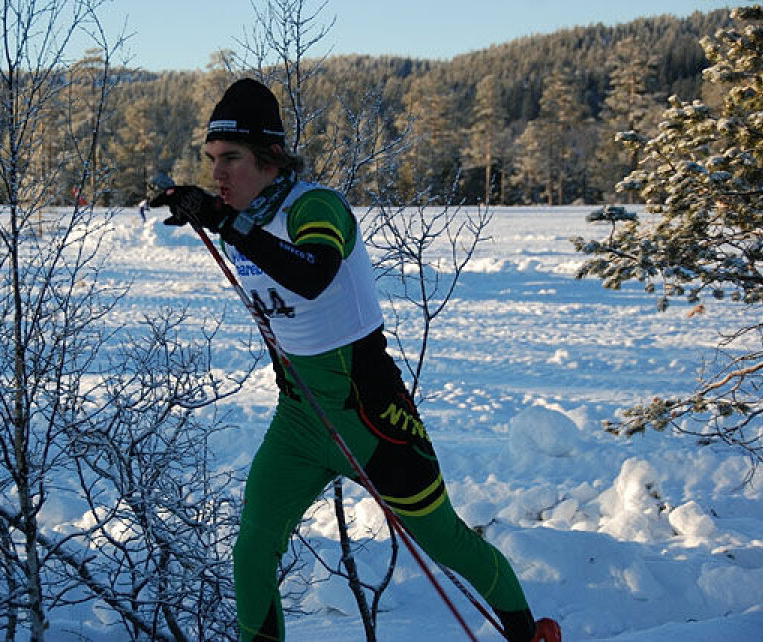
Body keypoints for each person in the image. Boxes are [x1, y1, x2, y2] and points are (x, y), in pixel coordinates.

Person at [150, 78, 562, 642]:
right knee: (252, 551)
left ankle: (528, 634)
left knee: (444, 540)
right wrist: (209, 214)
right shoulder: (241, 223)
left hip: (370, 416)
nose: (217, 174)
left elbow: (313, 274)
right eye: (211, 160)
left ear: (270, 157)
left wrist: (225, 222)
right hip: (299, 418)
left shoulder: (315, 206)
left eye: (231, 159)